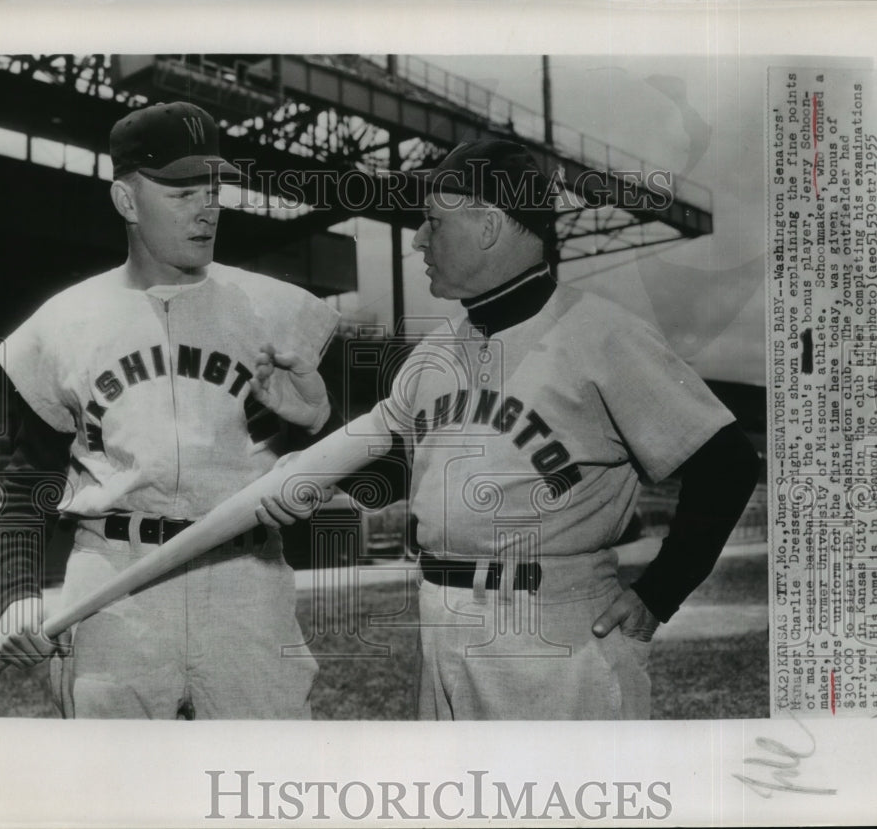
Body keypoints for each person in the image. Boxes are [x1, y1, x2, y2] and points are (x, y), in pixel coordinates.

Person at [259, 139, 761, 720]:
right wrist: (316, 421)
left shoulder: (604, 333)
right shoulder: (433, 353)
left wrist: (659, 593)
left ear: (490, 225)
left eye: (433, 222)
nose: (418, 240)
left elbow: (727, 463)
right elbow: (394, 480)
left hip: (553, 623)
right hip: (440, 618)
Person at [0, 101, 339, 719]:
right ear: (126, 201)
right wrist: (17, 593)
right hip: (114, 582)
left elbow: (352, 475)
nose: (208, 208)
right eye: (182, 192)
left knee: (268, 773)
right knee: (116, 778)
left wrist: (317, 424)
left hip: (244, 578)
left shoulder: (277, 309)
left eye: (214, 189)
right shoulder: (63, 320)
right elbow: (28, 482)